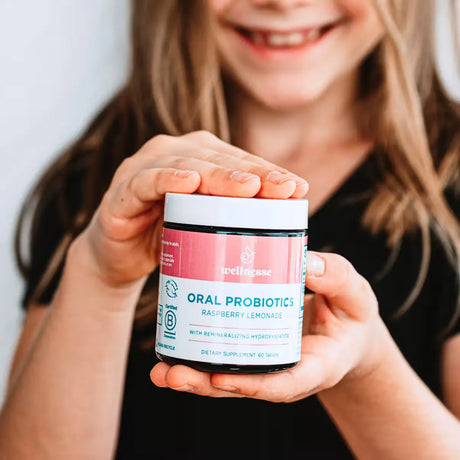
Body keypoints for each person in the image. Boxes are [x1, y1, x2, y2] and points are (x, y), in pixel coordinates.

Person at [1, 0, 459, 458]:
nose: (283, 4)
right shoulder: (99, 180)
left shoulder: (450, 189)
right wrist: (100, 277)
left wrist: (366, 369)